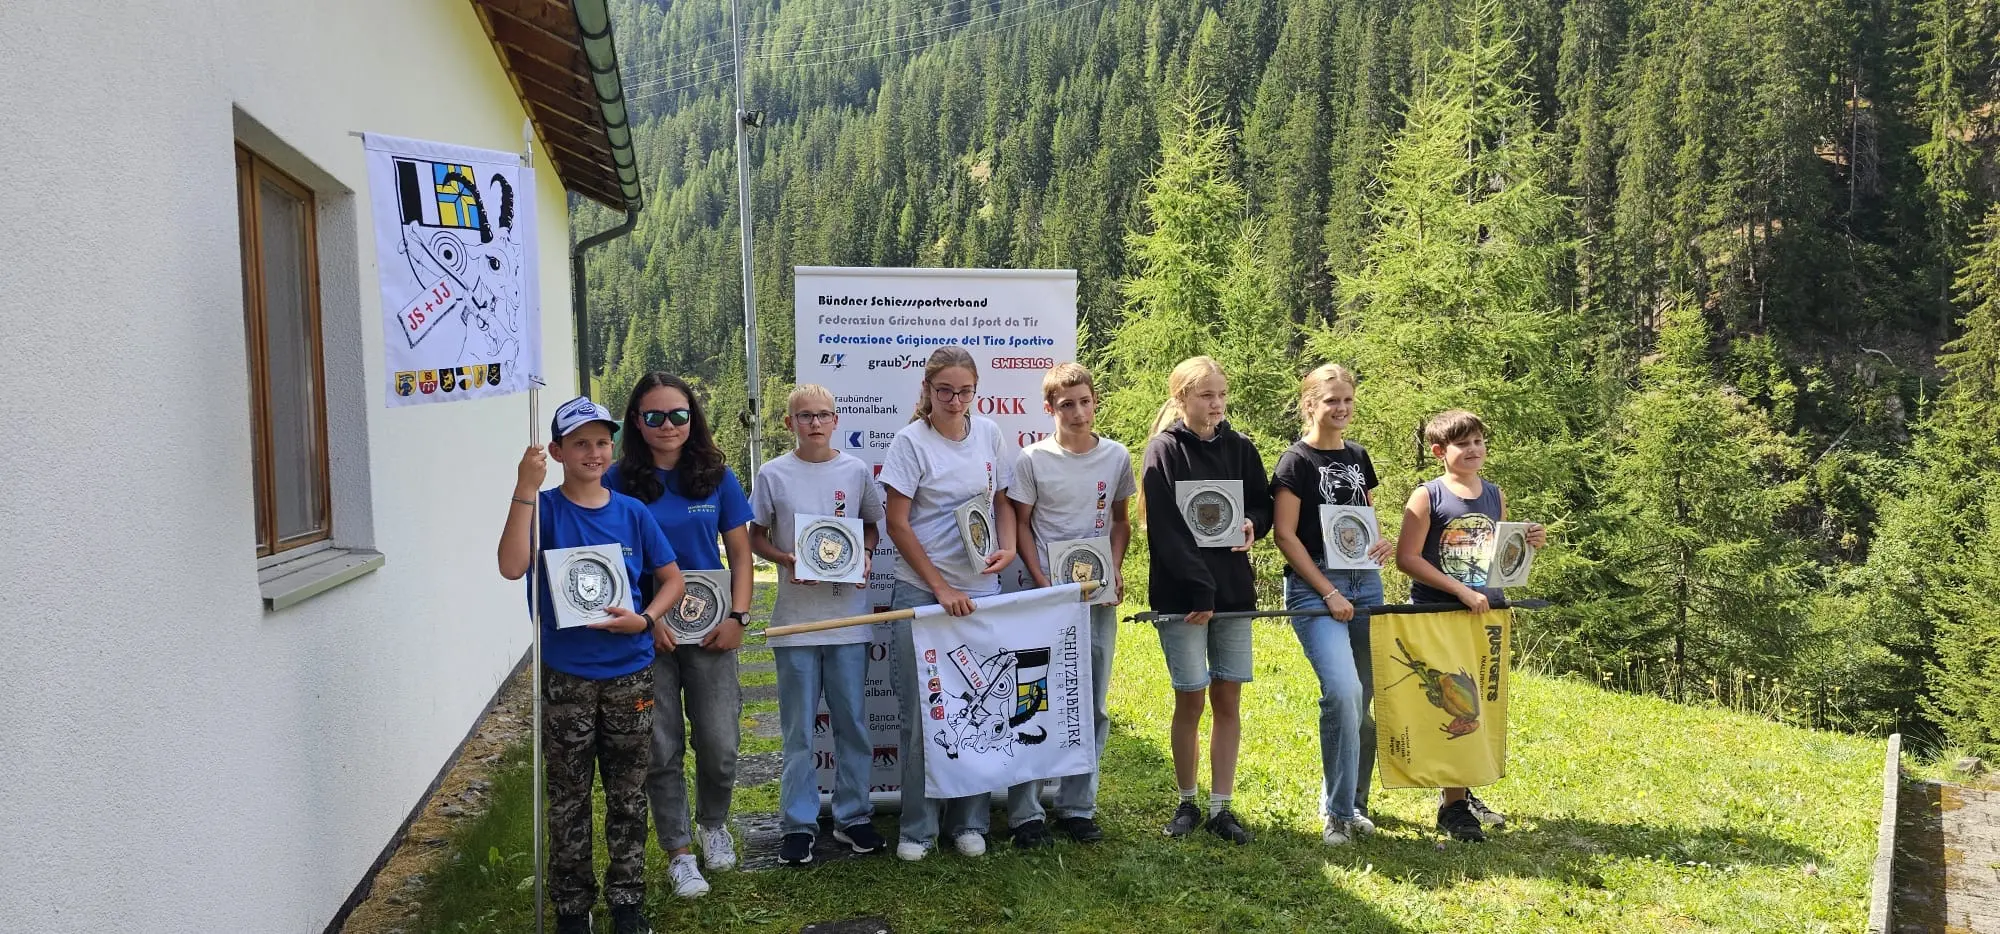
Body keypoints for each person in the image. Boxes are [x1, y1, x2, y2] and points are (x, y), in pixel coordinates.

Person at [497, 396, 684, 934]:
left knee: (628, 793)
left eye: (603, 441)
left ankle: (627, 901)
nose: (594, 452)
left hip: (630, 673)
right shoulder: (544, 510)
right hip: (567, 676)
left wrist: (645, 620)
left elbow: (672, 580)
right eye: (580, 443)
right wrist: (524, 490)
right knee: (568, 797)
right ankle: (572, 908)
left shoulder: (632, 512)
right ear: (556, 451)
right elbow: (512, 566)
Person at [605, 373, 755, 898]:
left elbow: (740, 555)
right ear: (636, 422)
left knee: (720, 742)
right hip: (647, 632)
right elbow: (610, 561)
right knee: (660, 745)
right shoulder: (617, 480)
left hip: (713, 628)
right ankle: (679, 852)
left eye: (678, 415)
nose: (667, 426)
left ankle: (713, 824)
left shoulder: (717, 476)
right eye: (653, 417)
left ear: (693, 418)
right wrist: (650, 618)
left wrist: (738, 617)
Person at [880, 345, 1019, 861]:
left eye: (964, 391)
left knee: (982, 712)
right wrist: (940, 588)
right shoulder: (909, 442)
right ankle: (917, 828)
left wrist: (1004, 548)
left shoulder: (987, 433)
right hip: (923, 595)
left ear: (975, 391)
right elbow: (897, 524)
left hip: (981, 594)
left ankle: (970, 822)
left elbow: (1000, 500)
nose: (955, 400)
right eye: (945, 391)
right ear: (927, 391)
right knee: (923, 716)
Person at [749, 384, 889, 866]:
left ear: (836, 420)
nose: (814, 423)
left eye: (823, 415)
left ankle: (853, 817)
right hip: (795, 625)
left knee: (851, 724)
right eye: (804, 416)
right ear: (789, 423)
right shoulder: (772, 474)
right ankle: (798, 823)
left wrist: (866, 552)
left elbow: (872, 524)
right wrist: (786, 559)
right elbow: (754, 537)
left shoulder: (853, 472)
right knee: (799, 733)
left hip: (848, 620)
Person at [1395, 408, 1547, 843]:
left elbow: (1497, 553)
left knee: (1482, 699)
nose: (1474, 450)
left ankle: (1463, 793)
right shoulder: (1427, 496)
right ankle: (1454, 806)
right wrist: (1460, 592)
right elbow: (1409, 558)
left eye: (1479, 441)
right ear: (1440, 452)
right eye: (1464, 444)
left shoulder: (1494, 494)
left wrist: (1528, 543)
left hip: (1487, 612)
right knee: (1460, 704)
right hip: (1440, 615)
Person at [1001, 362, 1135, 848]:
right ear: (1049, 409)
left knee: (1092, 703)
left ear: (1095, 401)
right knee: (1032, 699)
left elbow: (1120, 523)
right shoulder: (1031, 459)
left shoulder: (1116, 457)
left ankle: (1078, 805)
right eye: (1066, 405)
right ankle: (1025, 812)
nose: (1078, 413)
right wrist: (1042, 583)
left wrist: (1114, 568)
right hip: (1042, 598)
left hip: (1096, 597)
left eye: (1085, 402)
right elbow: (1019, 526)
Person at [1142, 355, 1272, 845]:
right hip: (1184, 596)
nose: (1216, 404)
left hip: (1234, 594)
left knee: (1228, 697)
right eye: (1205, 395)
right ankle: (1187, 801)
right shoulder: (1163, 451)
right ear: (1181, 399)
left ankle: (1222, 807)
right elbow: (1167, 532)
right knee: (1191, 697)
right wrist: (1201, 589)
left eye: (1221, 394)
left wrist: (1252, 525)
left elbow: (1261, 503)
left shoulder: (1241, 448)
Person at [1270, 365, 1394, 846]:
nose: (1340, 409)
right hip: (1314, 587)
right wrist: (1328, 591)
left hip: (1366, 583)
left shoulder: (1358, 456)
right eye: (1330, 401)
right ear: (1310, 405)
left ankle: (1355, 803)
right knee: (1342, 693)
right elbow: (1284, 536)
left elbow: (1362, 519)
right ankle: (1336, 813)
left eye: (1346, 400)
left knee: (1364, 697)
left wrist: (1380, 543)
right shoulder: (1294, 462)